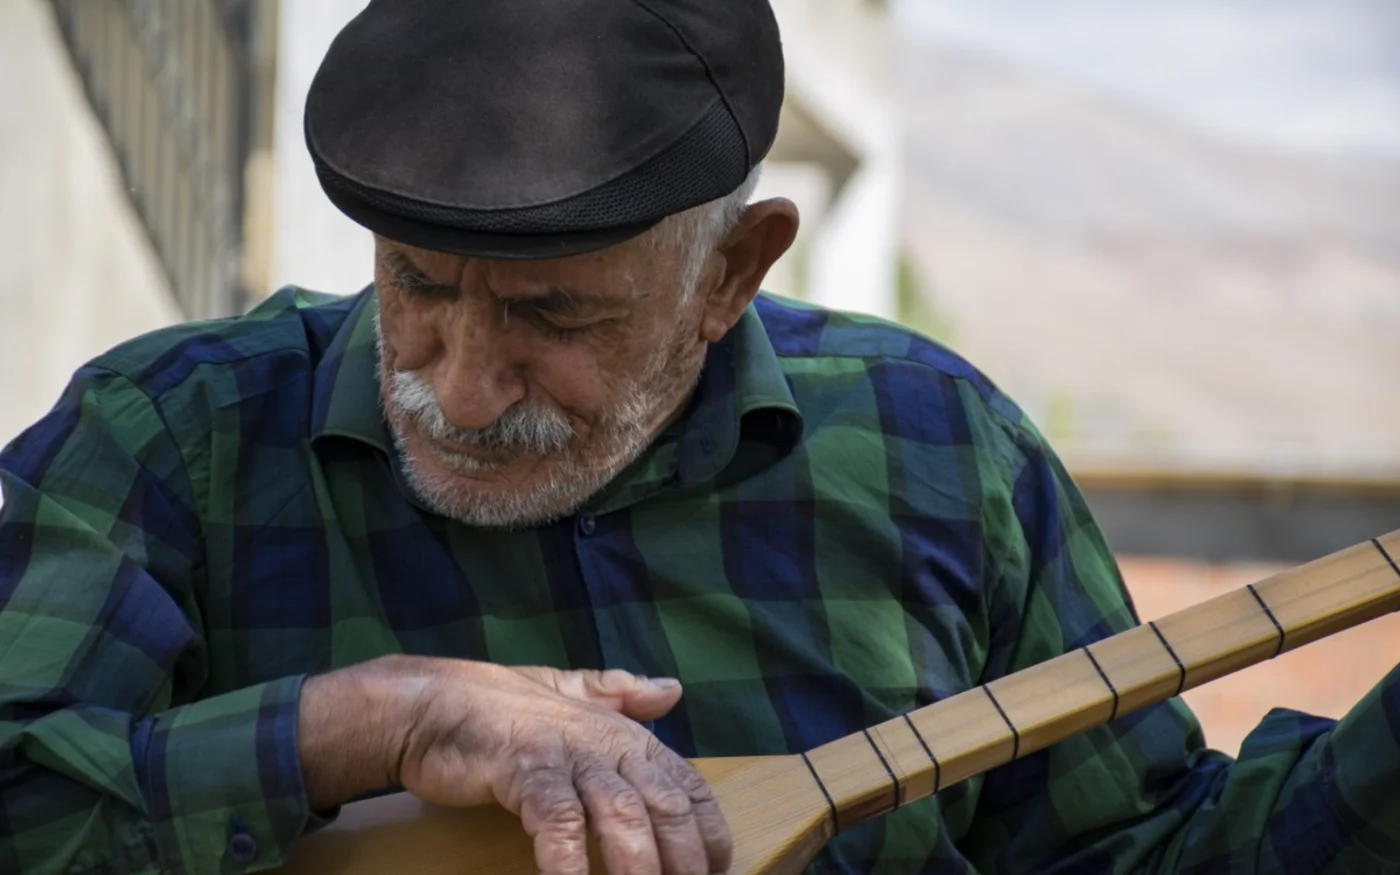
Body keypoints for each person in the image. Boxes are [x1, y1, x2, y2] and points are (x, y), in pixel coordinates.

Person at [1, 1, 1397, 873]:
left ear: (734, 272)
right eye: (416, 285)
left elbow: (1130, 850)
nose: (463, 383)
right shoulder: (169, 437)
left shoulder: (935, 454)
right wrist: (359, 723)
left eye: (553, 314)